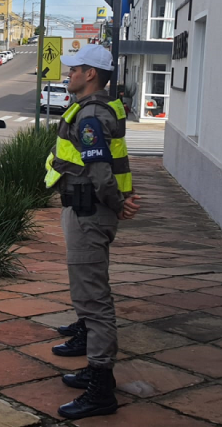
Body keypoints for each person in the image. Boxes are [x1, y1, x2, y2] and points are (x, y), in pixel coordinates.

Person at [43, 44, 141, 420]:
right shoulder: (99, 109)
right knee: (90, 295)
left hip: (90, 213)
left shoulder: (91, 116)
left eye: (74, 69)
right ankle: (95, 372)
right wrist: (120, 201)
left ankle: (101, 387)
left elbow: (99, 170)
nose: (68, 74)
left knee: (94, 302)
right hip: (89, 211)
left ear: (91, 75)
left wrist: (117, 202)